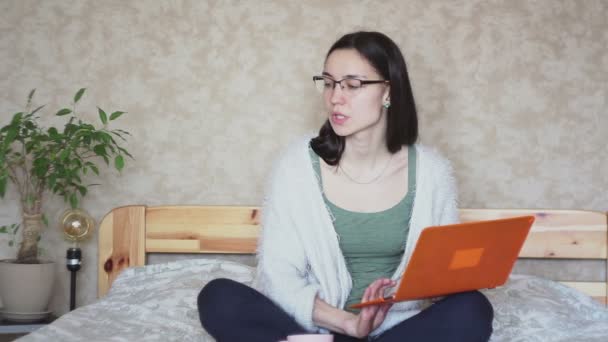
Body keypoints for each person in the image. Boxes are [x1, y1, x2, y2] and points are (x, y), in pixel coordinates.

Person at [198, 31, 493, 342]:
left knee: (472, 308)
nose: (335, 97)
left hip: (399, 327)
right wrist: (349, 325)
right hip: (321, 325)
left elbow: (439, 276)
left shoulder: (432, 172)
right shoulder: (296, 165)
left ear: (388, 91)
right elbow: (277, 273)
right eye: (328, 83)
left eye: (352, 85)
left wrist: (461, 273)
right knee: (218, 297)